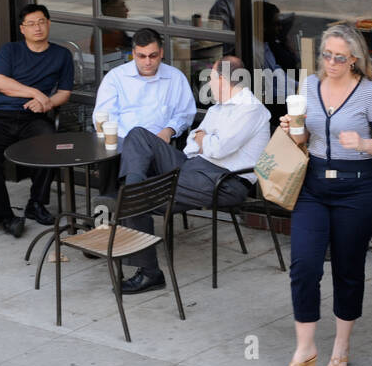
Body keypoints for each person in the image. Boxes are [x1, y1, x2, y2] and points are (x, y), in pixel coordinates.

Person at [279, 24, 372, 366]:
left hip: (356, 188)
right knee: (304, 265)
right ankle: (305, 348)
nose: (331, 62)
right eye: (326, 55)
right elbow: (302, 137)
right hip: (313, 185)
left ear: (354, 59)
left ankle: (341, 346)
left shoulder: (370, 93)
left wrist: (362, 144)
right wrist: (291, 129)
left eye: (339, 57)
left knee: (348, 269)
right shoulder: (308, 87)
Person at [113, 56, 271, 293]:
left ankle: (150, 273)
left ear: (222, 79)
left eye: (211, 77)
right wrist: (204, 139)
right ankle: (134, 187)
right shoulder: (219, 107)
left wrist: (204, 139)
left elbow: (217, 148)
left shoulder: (250, 109)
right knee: (138, 135)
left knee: (137, 199)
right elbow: (192, 141)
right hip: (194, 165)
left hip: (225, 180)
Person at [0, 5, 74, 235]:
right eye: (31, 24)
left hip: (35, 116)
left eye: (41, 22)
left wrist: (47, 102)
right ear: (22, 29)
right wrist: (36, 93)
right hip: (1, 114)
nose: (37, 28)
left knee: (49, 143)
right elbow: (0, 83)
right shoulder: (11, 50)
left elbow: (65, 92)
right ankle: (4, 216)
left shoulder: (61, 55)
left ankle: (36, 204)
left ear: (49, 23)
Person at [92, 26, 196, 145]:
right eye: (142, 56)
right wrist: (131, 141)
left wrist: (169, 130)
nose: (147, 62)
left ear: (161, 53)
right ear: (133, 54)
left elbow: (185, 113)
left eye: (153, 56)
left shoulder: (176, 77)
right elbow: (104, 116)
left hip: (159, 144)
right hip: (124, 144)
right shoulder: (115, 77)